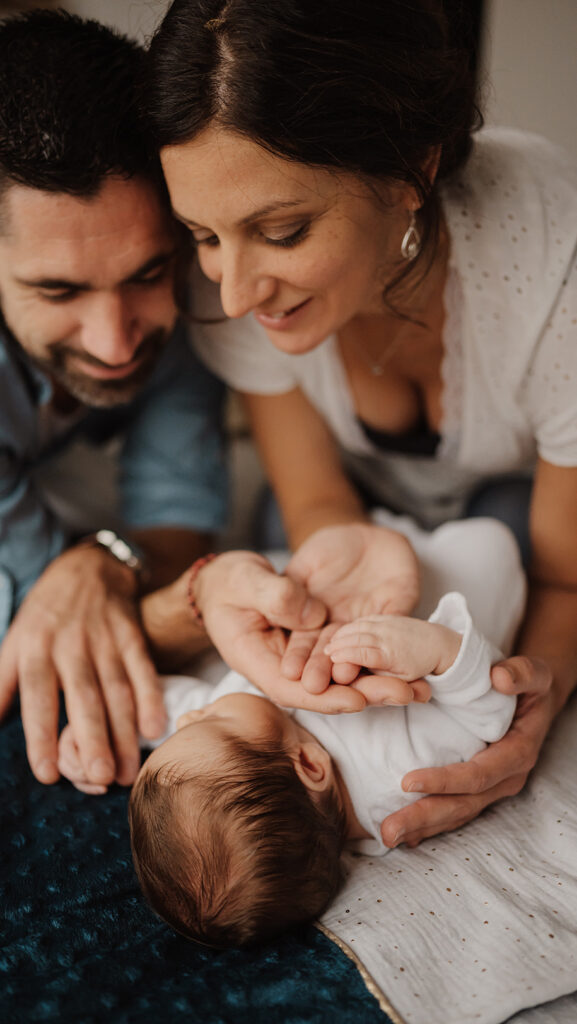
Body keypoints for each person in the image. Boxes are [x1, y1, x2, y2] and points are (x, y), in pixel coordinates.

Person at [143, 0, 576, 848]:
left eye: (281, 231)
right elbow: (313, 500)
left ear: (408, 172)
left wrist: (528, 704)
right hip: (364, 514)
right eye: (203, 236)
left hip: (523, 509)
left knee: (511, 539)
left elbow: (566, 580)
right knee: (274, 536)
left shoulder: (554, 273)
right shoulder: (230, 291)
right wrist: (345, 551)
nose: (232, 294)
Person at [0, 9, 337, 794]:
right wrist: (87, 575)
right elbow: (50, 633)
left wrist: (102, 559)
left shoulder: (196, 264)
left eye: (143, 274)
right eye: (58, 289)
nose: (115, 342)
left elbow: (174, 521)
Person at [59, 516, 525, 946]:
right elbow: (486, 714)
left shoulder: (230, 755)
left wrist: (102, 721)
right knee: (493, 543)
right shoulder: (396, 779)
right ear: (308, 765)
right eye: (210, 723)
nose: (190, 717)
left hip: (353, 566)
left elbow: (167, 708)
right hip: (450, 575)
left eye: (176, 735)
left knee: (270, 519)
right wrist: (439, 652)